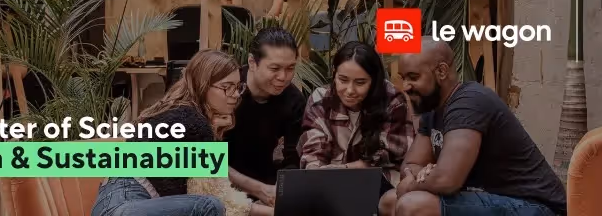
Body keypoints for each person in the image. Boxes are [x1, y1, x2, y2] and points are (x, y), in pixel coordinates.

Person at [392, 39, 567, 216]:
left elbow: (446, 180)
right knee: (390, 202)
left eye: (413, 77)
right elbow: (410, 165)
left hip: (535, 206)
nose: (405, 86)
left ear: (441, 71)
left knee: (412, 205)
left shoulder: (469, 102)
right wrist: (425, 174)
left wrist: (414, 184)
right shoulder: (433, 109)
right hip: (491, 199)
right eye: (403, 78)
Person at [91, 50, 272, 216]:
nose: (236, 94)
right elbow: (214, 196)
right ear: (202, 86)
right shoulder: (192, 122)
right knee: (210, 205)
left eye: (238, 87)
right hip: (124, 205)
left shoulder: (184, 115)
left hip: (118, 202)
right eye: (227, 87)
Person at [298, 41, 414, 216]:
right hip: (328, 181)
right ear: (334, 74)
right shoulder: (320, 99)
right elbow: (314, 152)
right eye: (343, 80)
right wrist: (318, 175)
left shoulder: (392, 100)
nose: (350, 90)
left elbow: (390, 153)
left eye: (360, 82)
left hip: (378, 180)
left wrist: (343, 170)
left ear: (374, 81)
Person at [223, 26, 305, 206]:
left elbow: (294, 158)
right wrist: (257, 189)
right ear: (252, 62)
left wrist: (281, 191)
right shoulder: (224, 90)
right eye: (274, 68)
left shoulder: (294, 100)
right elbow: (198, 157)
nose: (283, 77)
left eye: (290, 68)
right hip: (216, 183)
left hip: (266, 186)